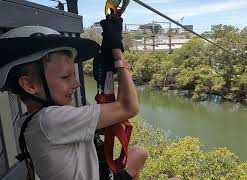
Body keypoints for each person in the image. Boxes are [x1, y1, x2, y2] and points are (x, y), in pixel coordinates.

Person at [0, 17, 147, 180]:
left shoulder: (31, 121)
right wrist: (118, 54)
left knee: (138, 154)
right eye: (66, 76)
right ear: (29, 85)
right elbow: (129, 107)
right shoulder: (50, 120)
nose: (76, 83)